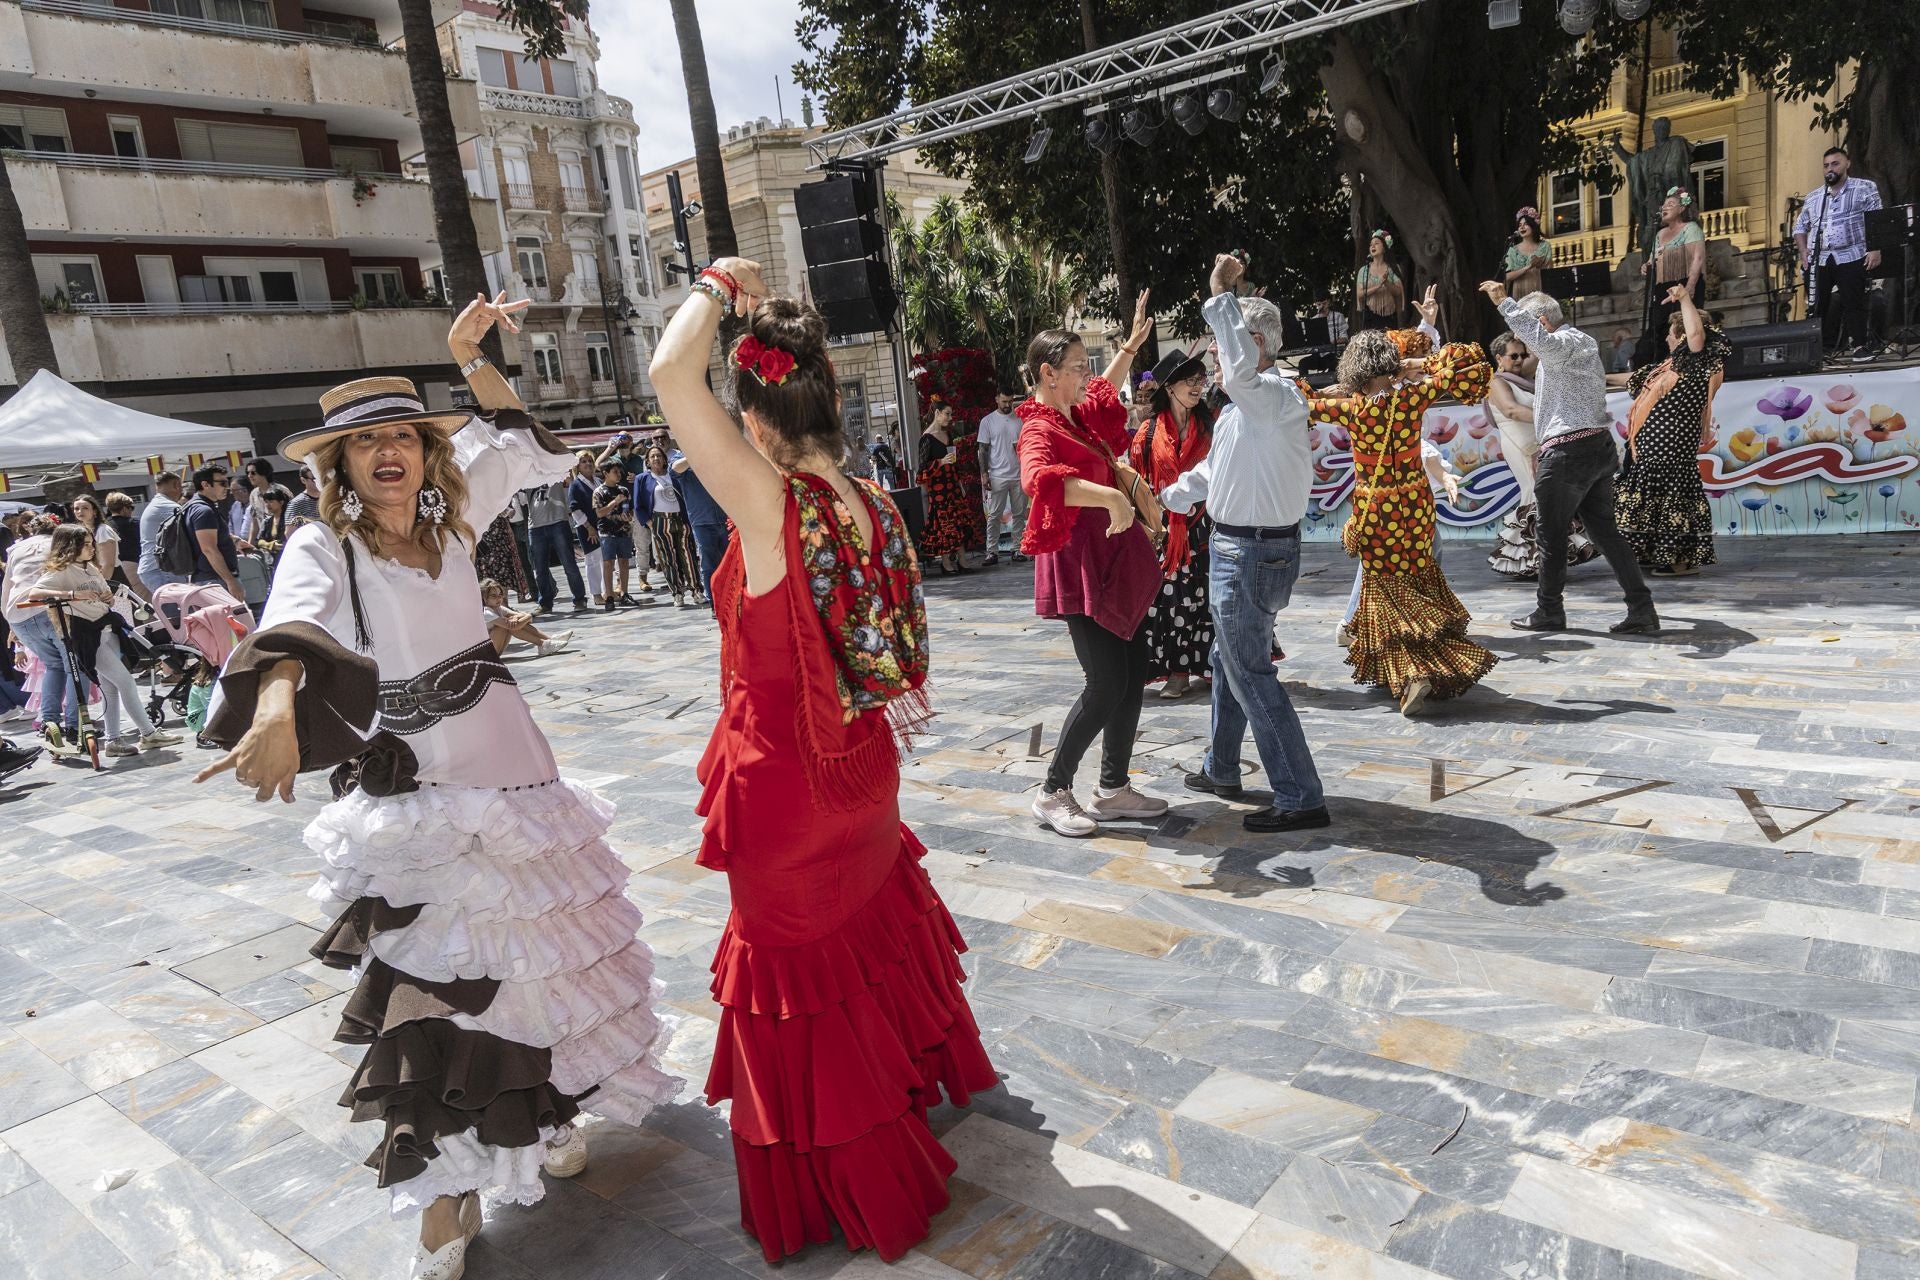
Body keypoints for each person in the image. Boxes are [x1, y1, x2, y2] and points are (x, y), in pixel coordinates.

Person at [197, 293, 679, 1280]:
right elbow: (292, 628)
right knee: (435, 1000)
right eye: (364, 441)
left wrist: (472, 359)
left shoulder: (451, 515)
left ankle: (548, 1113)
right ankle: (449, 1195)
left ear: (424, 447)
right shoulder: (320, 542)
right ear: (337, 461)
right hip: (411, 797)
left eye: (402, 436)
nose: (387, 452)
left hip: (511, 760)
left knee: (544, 960)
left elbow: (530, 447)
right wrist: (279, 708)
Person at [649, 258, 997, 1264]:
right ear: (827, 396)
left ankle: (859, 1182)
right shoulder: (871, 497)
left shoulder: (769, 503)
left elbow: (675, 375)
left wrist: (714, 282)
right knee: (864, 948)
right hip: (864, 777)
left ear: (752, 417)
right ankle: (902, 1090)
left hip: (789, 794)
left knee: (798, 988)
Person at [1162, 256, 1327, 831]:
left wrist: (1219, 295)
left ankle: (1301, 794)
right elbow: (1215, 473)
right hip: (1244, 549)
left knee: (1249, 670)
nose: (1211, 353)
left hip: (1251, 553)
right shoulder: (1248, 410)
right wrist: (1168, 497)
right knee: (1227, 659)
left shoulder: (1273, 398)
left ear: (1253, 341)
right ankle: (1222, 765)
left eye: (1219, 340)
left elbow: (1237, 373)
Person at [1017, 292, 1168, 837]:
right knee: (1105, 681)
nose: (1087, 376)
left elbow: (1104, 393)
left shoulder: (1076, 416)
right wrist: (1109, 498)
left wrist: (1128, 348)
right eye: (1078, 367)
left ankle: (1113, 788)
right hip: (1081, 565)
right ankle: (1053, 790)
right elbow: (1039, 481)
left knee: (1132, 674)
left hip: (1112, 558)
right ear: (1047, 373)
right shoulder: (1038, 428)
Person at [1302, 326, 1496, 715]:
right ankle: (1433, 666)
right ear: (1390, 365)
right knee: (1416, 579)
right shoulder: (1412, 397)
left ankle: (1411, 674)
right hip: (1417, 506)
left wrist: (1333, 391)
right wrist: (1416, 364)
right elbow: (1469, 367)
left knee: (1387, 593)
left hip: (1376, 512)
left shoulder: (1350, 409)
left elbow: (1296, 398)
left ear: (1354, 368)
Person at [1483, 281, 1659, 635]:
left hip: (1568, 452)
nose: (1526, 346)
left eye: (1530, 332)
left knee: (1551, 536)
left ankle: (1549, 611)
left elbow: (1542, 341)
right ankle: (1641, 608)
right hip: (1593, 446)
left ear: (1543, 322)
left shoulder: (1563, 343)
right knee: (1607, 535)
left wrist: (1505, 302)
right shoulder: (1578, 345)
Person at [24, 525, 182, 758]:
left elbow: (102, 592)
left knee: (111, 687)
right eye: (85, 544)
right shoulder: (61, 571)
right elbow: (34, 594)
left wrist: (107, 596)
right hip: (88, 635)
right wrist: (72, 596)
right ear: (70, 546)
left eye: (91, 543)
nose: (91, 548)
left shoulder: (90, 567)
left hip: (107, 628)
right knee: (126, 681)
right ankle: (148, 733)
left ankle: (113, 740)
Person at [1616, 285, 1731, 576]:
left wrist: (1684, 299)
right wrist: (1592, 375)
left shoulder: (1698, 364)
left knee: (1671, 500)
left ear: (1681, 337)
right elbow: (1635, 379)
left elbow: (1695, 337)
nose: (1667, 338)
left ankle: (1679, 560)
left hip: (1670, 449)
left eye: (1671, 333)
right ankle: (1662, 554)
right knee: (1656, 498)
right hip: (1655, 452)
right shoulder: (1668, 368)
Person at [1129, 347, 1215, 700]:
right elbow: (1137, 485)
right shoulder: (1146, 434)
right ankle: (1177, 673)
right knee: (1172, 602)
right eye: (1189, 380)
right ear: (1169, 387)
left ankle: (1211, 668)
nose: (1197, 386)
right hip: (1166, 532)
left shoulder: (1212, 426)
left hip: (1207, 527)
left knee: (1210, 599)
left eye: (1200, 379)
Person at [1484, 333, 1598, 580]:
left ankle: (1536, 559)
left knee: (1545, 497)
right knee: (1537, 494)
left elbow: (1540, 355)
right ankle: (1539, 559)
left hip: (1541, 446)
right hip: (1521, 447)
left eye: (1522, 355)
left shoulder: (1527, 380)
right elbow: (1511, 410)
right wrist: (1555, 418)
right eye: (1513, 356)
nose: (1519, 360)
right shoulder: (1496, 382)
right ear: (1499, 358)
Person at [1794, 146, 1884, 357]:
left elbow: (1877, 220)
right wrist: (1803, 250)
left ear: (1847, 164)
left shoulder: (1864, 188)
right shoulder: (1815, 197)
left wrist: (1875, 249)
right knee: (1818, 305)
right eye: (1826, 165)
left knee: (1853, 301)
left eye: (1835, 163)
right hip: (1821, 258)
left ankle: (1860, 346)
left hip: (1853, 253)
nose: (1830, 169)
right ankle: (1822, 349)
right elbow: (1800, 227)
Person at [2, 515, 80, 756]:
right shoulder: (60, 544)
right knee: (75, 665)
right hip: (49, 608)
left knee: (53, 666)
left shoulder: (15, 549)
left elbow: (6, 589)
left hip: (18, 614)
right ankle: (75, 726)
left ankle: (49, 723)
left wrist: (13, 628)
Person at [1637, 187, 1705, 366]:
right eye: (1664, 204)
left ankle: (1684, 363)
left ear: (1682, 209)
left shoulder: (1690, 228)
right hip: (1662, 285)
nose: (1664, 208)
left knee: (1681, 325)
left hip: (1682, 283)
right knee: (1658, 327)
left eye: (1671, 204)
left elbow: (1697, 258)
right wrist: (1647, 266)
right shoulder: (1660, 234)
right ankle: (1661, 364)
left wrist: (1690, 286)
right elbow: (1653, 259)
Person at [635, 445, 702, 607]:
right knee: (667, 558)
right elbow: (638, 505)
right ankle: (677, 593)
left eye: (659, 456)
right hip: (659, 521)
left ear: (665, 460)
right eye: (652, 457)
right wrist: (650, 523)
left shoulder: (674, 474)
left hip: (681, 519)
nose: (656, 459)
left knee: (689, 556)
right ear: (648, 462)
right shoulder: (642, 479)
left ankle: (696, 590)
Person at [915, 397, 971, 576]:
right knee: (944, 525)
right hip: (938, 490)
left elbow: (954, 463)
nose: (950, 417)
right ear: (937, 413)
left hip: (952, 485)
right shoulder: (926, 439)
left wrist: (959, 482)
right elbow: (921, 470)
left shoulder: (948, 434)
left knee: (958, 523)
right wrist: (939, 462)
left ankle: (962, 561)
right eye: (947, 414)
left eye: (951, 414)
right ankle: (946, 563)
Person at [667, 441, 729, 605]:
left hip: (726, 519)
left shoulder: (715, 454)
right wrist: (695, 454)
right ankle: (714, 602)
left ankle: (732, 598)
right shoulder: (682, 458)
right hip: (702, 522)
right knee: (709, 564)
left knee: (730, 562)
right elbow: (674, 470)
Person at [976, 389, 1028, 565]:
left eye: (1010, 401)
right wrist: (984, 474)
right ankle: (991, 552)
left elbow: (1025, 446)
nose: (1007, 405)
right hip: (997, 474)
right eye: (1004, 401)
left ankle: (1017, 548)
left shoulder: (1019, 419)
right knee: (995, 515)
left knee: (1019, 513)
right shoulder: (988, 421)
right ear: (997, 399)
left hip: (1018, 473)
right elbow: (982, 449)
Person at [185, 463, 248, 601]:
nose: (227, 487)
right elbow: (209, 549)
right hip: (214, 581)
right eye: (222, 483)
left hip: (209, 580)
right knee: (230, 622)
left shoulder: (197, 506)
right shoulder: (203, 511)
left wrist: (235, 541)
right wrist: (231, 581)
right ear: (205, 484)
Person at [524, 476, 587, 612]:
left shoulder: (555, 469)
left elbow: (568, 471)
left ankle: (579, 599)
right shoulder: (526, 474)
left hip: (558, 521)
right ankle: (545, 602)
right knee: (539, 569)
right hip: (535, 526)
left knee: (569, 564)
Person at [479, 577, 573, 655]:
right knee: (507, 626)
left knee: (512, 621)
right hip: (488, 654)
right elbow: (515, 625)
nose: (498, 598)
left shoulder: (498, 608)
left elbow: (520, 616)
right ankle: (543, 644)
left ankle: (549, 640)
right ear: (484, 598)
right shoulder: (486, 612)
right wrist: (529, 615)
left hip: (497, 647)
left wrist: (517, 617)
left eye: (500, 595)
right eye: (493, 596)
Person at [592, 458, 637, 610]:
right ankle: (609, 595)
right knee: (608, 563)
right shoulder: (598, 492)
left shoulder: (624, 490)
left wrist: (629, 516)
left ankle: (624, 593)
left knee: (624, 561)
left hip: (624, 531)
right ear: (605, 473)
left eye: (619, 471)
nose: (618, 474)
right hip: (607, 533)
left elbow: (630, 509)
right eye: (615, 472)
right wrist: (614, 502)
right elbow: (599, 513)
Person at [138, 470, 187, 594]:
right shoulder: (168, 506)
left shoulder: (158, 504)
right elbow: (194, 526)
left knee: (177, 610)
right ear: (176, 485)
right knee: (179, 611)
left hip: (155, 567)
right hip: (161, 568)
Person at [567, 449, 605, 607]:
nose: (588, 464)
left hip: (604, 527)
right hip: (588, 529)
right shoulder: (575, 485)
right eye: (584, 461)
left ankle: (606, 591)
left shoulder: (598, 481)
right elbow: (574, 509)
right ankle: (596, 593)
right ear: (577, 466)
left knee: (606, 560)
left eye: (590, 461)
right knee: (593, 561)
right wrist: (589, 527)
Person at [1353, 230, 1404, 331]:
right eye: (1371, 244)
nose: (1373, 246)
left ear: (1384, 247)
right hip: (1370, 315)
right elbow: (1360, 294)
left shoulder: (1392, 268)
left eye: (1376, 243)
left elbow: (1398, 292)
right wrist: (1378, 285)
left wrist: (1386, 283)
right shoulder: (1364, 270)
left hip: (1390, 315)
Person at [70, 494, 121, 585]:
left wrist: (103, 585)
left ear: (94, 511)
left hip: (111, 578)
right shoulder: (81, 532)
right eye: (76, 509)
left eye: (85, 508)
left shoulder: (103, 530)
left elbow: (109, 564)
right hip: (93, 577)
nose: (80, 511)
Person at [1504, 208, 1553, 299]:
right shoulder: (1513, 250)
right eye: (1520, 225)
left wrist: (1539, 265)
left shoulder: (1545, 246)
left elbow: (1550, 271)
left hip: (1539, 289)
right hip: (1519, 291)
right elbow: (1508, 277)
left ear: (1533, 226)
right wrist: (1528, 267)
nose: (1522, 227)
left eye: (1526, 224)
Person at [104, 492, 143, 598]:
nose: (131, 510)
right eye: (131, 507)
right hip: (134, 566)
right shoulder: (135, 524)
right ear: (125, 508)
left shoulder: (104, 526)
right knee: (144, 601)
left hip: (114, 570)